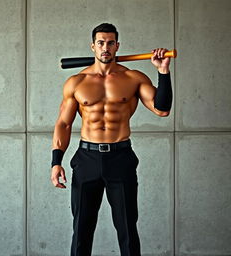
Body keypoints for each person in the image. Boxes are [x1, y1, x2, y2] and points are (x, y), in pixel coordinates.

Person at [51, 23, 173, 256]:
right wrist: (56, 161)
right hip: (86, 158)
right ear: (93, 46)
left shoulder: (133, 78)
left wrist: (163, 71)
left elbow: (162, 109)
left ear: (117, 46)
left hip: (121, 158)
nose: (105, 47)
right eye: (100, 43)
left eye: (110, 43)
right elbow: (63, 124)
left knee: (127, 228)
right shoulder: (77, 82)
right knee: (81, 230)